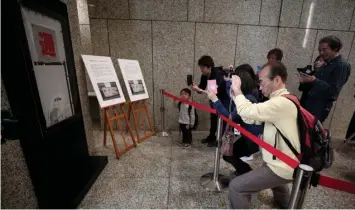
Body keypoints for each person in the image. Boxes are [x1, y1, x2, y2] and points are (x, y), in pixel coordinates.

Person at [228, 62, 300, 209]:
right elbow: (252, 117)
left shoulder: (281, 103)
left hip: (281, 164)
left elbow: (249, 111)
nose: (259, 87)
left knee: (236, 187)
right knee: (277, 182)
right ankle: (284, 204)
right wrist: (237, 99)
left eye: (261, 81)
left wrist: (237, 91)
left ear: (277, 80)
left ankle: (285, 203)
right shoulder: (281, 101)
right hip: (280, 160)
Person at [204, 69, 263, 180]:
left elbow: (230, 117)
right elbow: (231, 95)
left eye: (234, 81)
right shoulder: (247, 95)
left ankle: (248, 175)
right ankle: (245, 172)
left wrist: (215, 100)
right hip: (248, 137)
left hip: (252, 140)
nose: (231, 84)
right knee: (228, 154)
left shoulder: (247, 100)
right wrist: (226, 81)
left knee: (229, 155)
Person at [298, 35, 351, 122]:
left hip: (319, 108)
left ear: (335, 48)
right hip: (309, 104)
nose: (321, 53)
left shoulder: (342, 65)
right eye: (319, 50)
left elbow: (334, 91)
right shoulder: (327, 63)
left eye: (324, 49)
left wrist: (314, 80)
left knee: (311, 133)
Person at [191, 55, 229, 147]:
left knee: (222, 120)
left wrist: (200, 90)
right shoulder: (204, 76)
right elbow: (202, 88)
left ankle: (219, 139)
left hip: (223, 100)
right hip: (213, 100)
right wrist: (196, 88)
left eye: (202, 67)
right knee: (213, 117)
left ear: (209, 66)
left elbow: (214, 92)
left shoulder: (217, 74)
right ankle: (212, 136)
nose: (201, 69)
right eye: (200, 67)